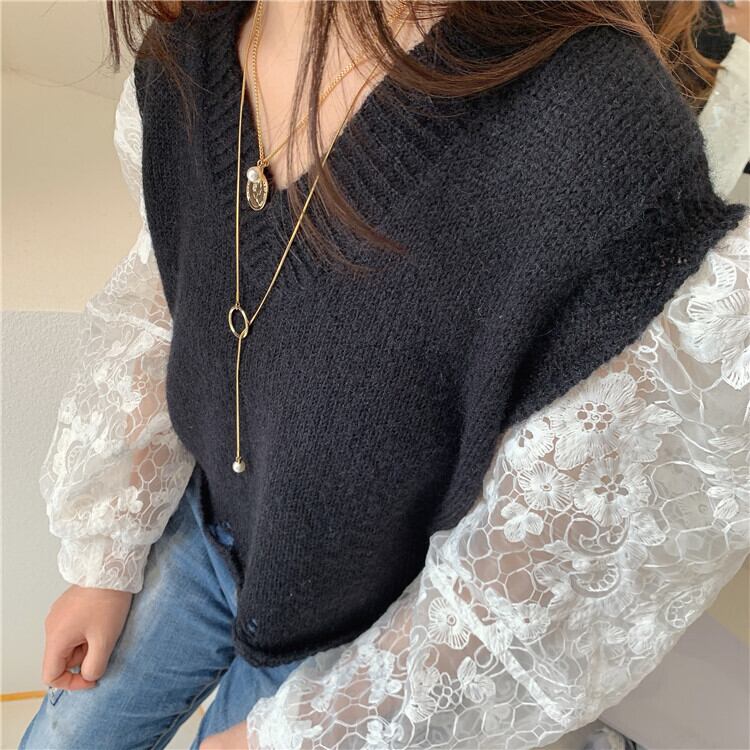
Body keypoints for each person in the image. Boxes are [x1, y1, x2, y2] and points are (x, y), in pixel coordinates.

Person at [19, 1, 750, 749]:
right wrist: (106, 553)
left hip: (367, 626)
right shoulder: (194, 35)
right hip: (205, 525)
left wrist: (301, 738)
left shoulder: (593, 132)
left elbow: (550, 550)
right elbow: (171, 294)